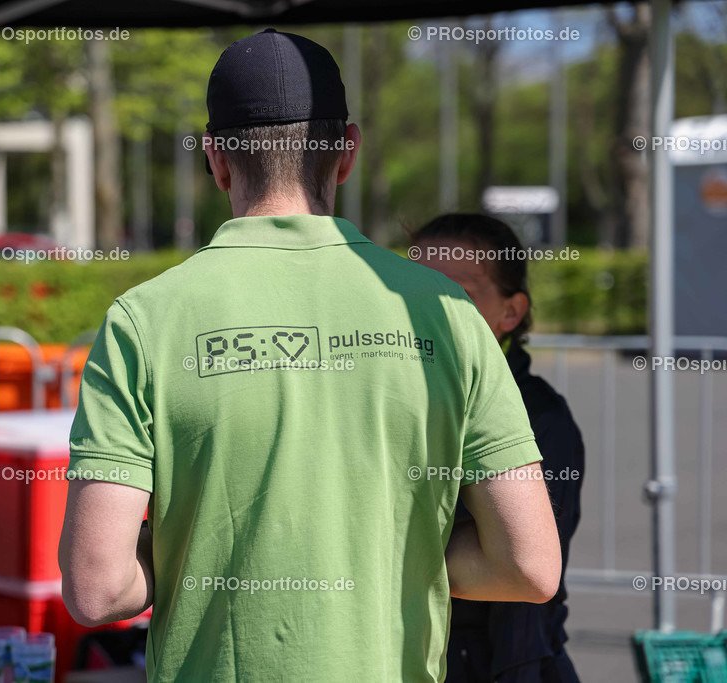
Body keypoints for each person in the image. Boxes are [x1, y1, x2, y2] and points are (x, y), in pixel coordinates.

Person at [58, 29, 561, 682]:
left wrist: (191, 551)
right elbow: (530, 565)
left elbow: (97, 587)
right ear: (346, 153)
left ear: (216, 159)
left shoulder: (144, 319)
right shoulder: (447, 312)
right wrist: (390, 560)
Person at [413, 213, 585, 682]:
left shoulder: (542, 417)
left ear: (511, 312)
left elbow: (523, 595)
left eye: (457, 294)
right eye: (410, 291)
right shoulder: (400, 396)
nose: (428, 308)